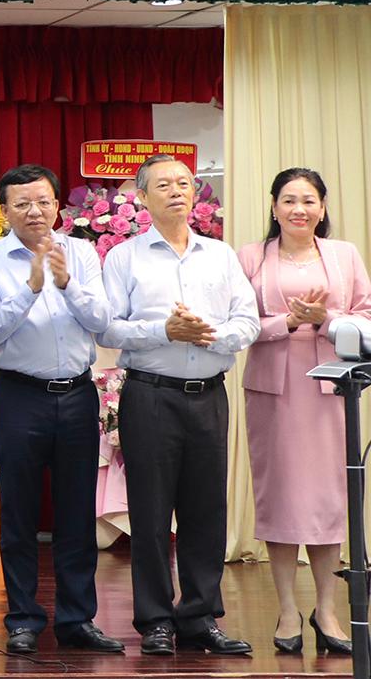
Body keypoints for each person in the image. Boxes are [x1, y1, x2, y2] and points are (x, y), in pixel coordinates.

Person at [100, 153, 258, 656]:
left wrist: (209, 335)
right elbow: (108, 328)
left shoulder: (220, 255)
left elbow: (247, 321)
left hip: (209, 395)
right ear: (142, 197)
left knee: (206, 510)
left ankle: (199, 617)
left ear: (195, 193)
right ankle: (155, 621)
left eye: (184, 183)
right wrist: (163, 331)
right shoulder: (124, 257)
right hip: (150, 395)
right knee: (150, 513)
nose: (176, 191)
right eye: (164, 184)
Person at [0, 164, 123, 655]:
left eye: (43, 202)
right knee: (19, 512)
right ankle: (23, 619)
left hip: (76, 394)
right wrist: (31, 286)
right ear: (4, 210)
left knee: (76, 511)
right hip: (18, 395)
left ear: (57, 205)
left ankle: (78, 619)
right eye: (22, 204)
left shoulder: (82, 252)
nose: (34, 211)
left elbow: (102, 322)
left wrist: (67, 282)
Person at [239, 168, 371, 656]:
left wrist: (326, 319)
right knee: (281, 498)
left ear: (323, 207)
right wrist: (287, 322)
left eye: (309, 200)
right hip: (273, 393)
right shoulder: (251, 256)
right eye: (290, 200)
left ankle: (328, 610)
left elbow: (366, 315)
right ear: (274, 207)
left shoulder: (344, 255)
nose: (300, 209)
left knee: (327, 499)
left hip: (329, 392)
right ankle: (288, 610)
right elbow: (239, 324)